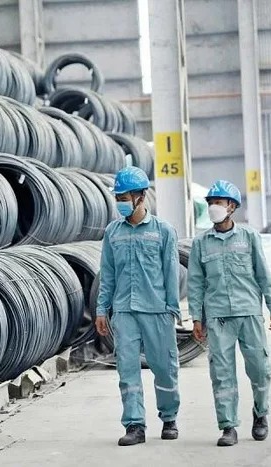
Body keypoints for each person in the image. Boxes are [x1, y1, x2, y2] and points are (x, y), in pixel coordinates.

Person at [188, 179, 271, 447]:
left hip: (249, 313)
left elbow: (264, 275)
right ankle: (228, 426)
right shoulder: (201, 243)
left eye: (218, 202)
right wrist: (196, 317)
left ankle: (260, 414)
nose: (214, 207)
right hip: (218, 317)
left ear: (232, 207)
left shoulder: (249, 237)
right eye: (211, 202)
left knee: (261, 369)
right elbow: (196, 282)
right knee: (222, 373)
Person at [95, 166, 181, 446]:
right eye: (117, 197)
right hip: (124, 311)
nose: (120, 202)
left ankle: (169, 417)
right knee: (127, 368)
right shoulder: (112, 233)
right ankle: (134, 425)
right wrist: (101, 309)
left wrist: (173, 309)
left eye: (124, 197)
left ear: (141, 197)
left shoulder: (163, 231)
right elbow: (107, 274)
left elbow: (171, 272)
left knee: (164, 367)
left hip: (157, 309)